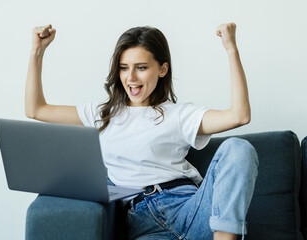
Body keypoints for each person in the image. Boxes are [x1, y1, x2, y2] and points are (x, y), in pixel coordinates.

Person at [25, 23, 258, 240]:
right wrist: (37, 51)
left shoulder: (179, 114)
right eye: (124, 68)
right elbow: (35, 109)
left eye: (142, 68)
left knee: (238, 148)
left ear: (163, 69)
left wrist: (231, 49)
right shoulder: (103, 114)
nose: (131, 78)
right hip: (141, 219)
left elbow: (240, 116)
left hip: (190, 207)